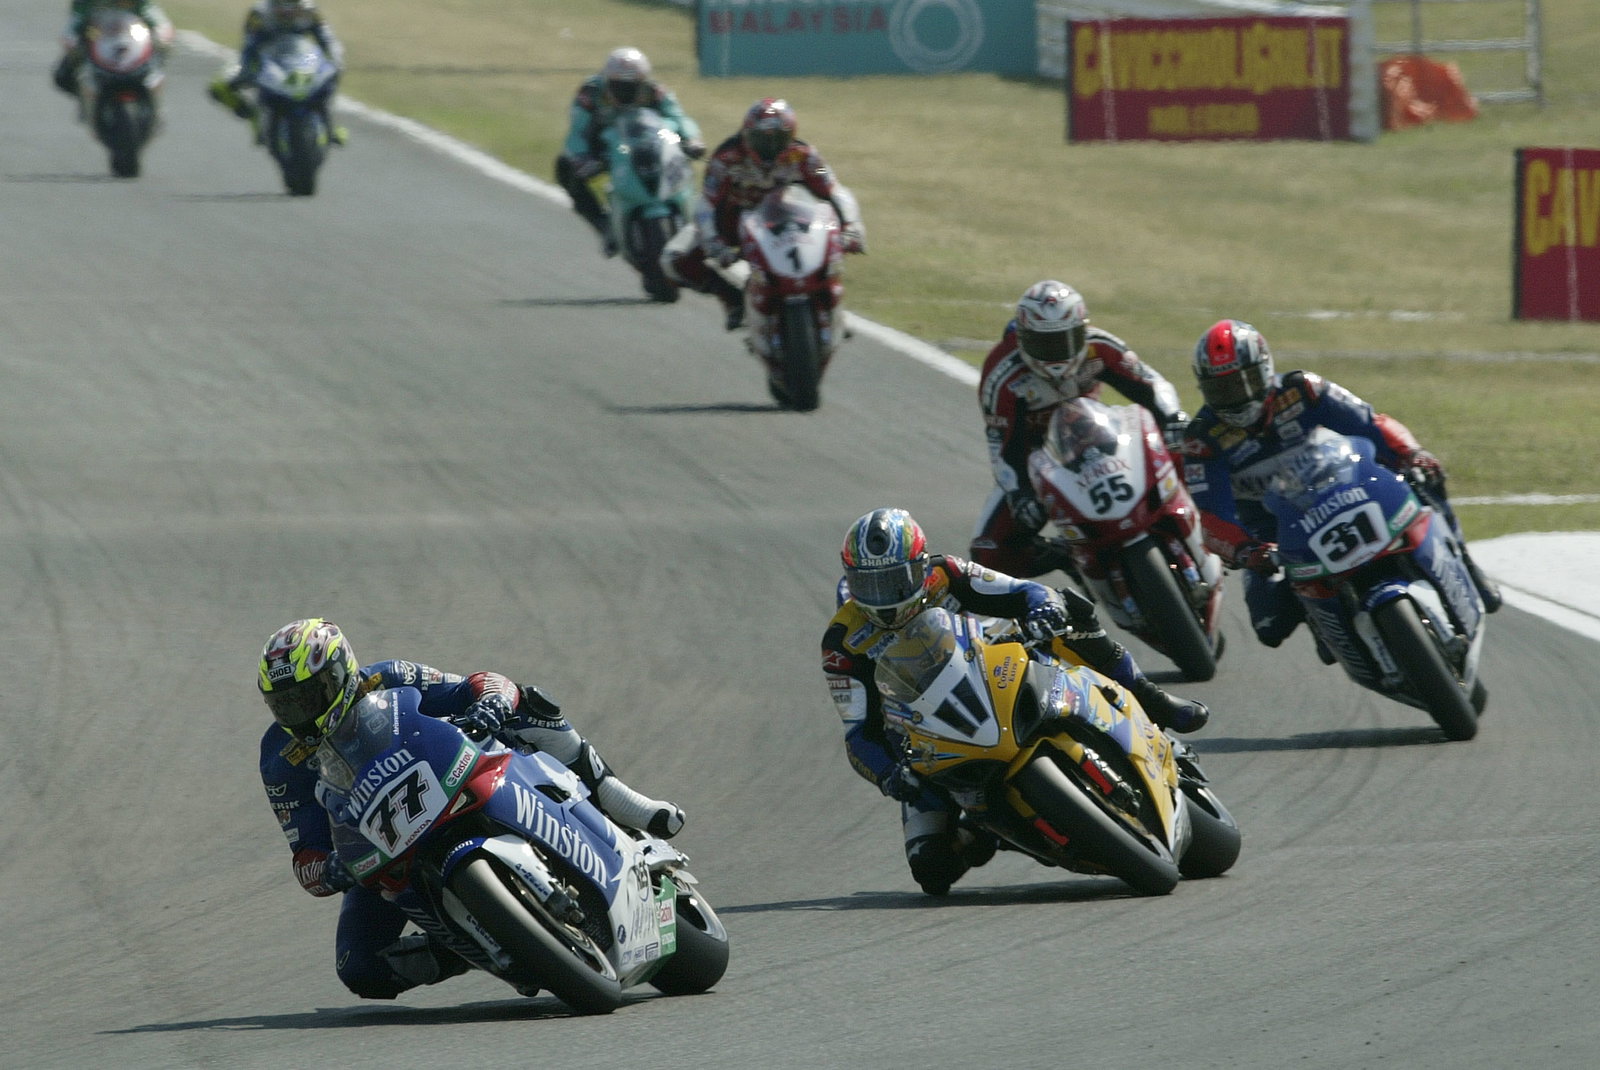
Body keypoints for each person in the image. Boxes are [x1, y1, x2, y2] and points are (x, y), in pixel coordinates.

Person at [256, 618, 685, 999]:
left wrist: (492, 703)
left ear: (340, 674)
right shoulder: (278, 758)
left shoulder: (387, 677)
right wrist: (327, 871)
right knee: (359, 968)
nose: (299, 713)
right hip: (383, 845)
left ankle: (614, 795)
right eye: (285, 704)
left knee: (531, 702)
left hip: (456, 776)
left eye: (309, 697)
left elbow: (478, 684)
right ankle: (482, 942)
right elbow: (305, 855)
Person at [821, 508, 1209, 896]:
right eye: (869, 584)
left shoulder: (948, 573)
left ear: (920, 567)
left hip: (995, 671)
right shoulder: (842, 642)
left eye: (894, 580)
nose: (884, 597)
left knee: (1073, 614)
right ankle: (983, 830)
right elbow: (858, 734)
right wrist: (889, 775)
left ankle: (1151, 699)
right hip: (925, 735)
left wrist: (1044, 609)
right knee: (931, 868)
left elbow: (1022, 591)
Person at [1180, 318, 1502, 653]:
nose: (1236, 398)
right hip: (1269, 524)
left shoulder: (1304, 390)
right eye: (1223, 390)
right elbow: (1212, 517)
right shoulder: (1202, 439)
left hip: (1338, 488)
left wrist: (1411, 453)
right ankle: (1323, 616)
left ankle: (1464, 561)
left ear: (1263, 370)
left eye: (1243, 383)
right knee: (1268, 626)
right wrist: (1246, 550)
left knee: (1425, 476)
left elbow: (1371, 424)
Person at [972, 280, 1190, 581]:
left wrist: (1174, 417)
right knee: (988, 552)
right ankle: (1069, 555)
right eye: (1043, 344)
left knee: (1190, 447)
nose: (1055, 355)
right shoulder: (1002, 379)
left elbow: (1153, 384)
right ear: (1022, 340)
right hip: (1039, 464)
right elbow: (1002, 450)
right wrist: (1020, 494)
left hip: (1102, 437)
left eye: (1064, 341)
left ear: (1082, 331)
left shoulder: (1100, 346)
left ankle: (1197, 524)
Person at [661, 97, 865, 332]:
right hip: (733, 224)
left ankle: (830, 305)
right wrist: (712, 241)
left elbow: (835, 190)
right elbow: (706, 203)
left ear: (790, 136)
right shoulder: (725, 159)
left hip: (792, 224)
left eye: (778, 139)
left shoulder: (807, 156)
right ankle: (732, 299)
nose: (769, 148)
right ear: (747, 134)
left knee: (832, 238)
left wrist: (852, 226)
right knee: (672, 261)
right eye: (761, 139)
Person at [556, 47, 705, 258]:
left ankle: (693, 222)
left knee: (684, 161)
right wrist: (582, 158)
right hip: (604, 147)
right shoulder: (590, 93)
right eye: (618, 86)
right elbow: (577, 131)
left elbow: (677, 116)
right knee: (565, 166)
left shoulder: (655, 91)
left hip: (647, 142)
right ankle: (603, 225)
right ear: (607, 80)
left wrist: (692, 140)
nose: (625, 92)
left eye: (632, 87)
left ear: (643, 82)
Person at [207, 0, 346, 145]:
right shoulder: (259, 14)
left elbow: (327, 39)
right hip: (266, 58)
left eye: (293, 6)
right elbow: (249, 47)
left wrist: (335, 58)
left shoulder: (310, 12)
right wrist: (247, 69)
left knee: (331, 72)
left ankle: (329, 124)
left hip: (302, 57)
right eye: (283, 6)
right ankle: (254, 117)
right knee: (219, 86)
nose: (288, 12)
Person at [53, 0, 173, 97]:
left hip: (131, 42)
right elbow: (75, 22)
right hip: (98, 41)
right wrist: (71, 38)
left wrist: (162, 30)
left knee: (159, 51)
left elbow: (152, 15)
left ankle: (153, 102)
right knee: (63, 77)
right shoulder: (84, 3)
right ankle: (87, 100)